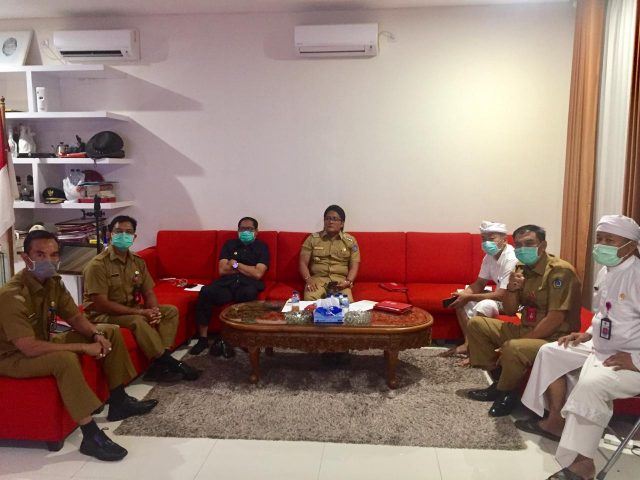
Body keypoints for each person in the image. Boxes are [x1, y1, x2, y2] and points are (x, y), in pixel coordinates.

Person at [0, 230, 158, 461]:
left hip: (43, 341)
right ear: (26, 258)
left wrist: (95, 335)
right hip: (11, 357)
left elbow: (74, 317)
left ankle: (118, 399)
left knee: (109, 331)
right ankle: (90, 435)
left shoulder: (53, 283)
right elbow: (29, 347)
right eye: (40, 254)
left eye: (54, 254)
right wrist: (83, 348)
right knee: (63, 359)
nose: (48, 260)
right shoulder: (11, 295)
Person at [517, 215, 640, 480]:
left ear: (630, 246)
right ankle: (554, 421)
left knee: (591, 385)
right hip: (600, 346)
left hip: (630, 360)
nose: (601, 245)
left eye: (610, 240)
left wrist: (636, 361)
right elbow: (605, 315)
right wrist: (586, 335)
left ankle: (583, 465)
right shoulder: (607, 271)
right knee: (550, 352)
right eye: (599, 238)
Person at [466, 224, 582, 417]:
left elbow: (555, 318)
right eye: (518, 245)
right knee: (477, 324)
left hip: (554, 337)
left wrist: (521, 340)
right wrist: (511, 289)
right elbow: (511, 310)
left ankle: (507, 393)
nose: (522, 249)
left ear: (542, 245)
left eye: (529, 243)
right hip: (526, 327)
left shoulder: (560, 271)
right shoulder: (520, 268)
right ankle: (499, 381)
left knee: (514, 347)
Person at [83, 215, 200, 382]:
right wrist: (141, 313)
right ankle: (170, 363)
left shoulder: (137, 261)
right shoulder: (97, 265)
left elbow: (148, 292)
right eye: (119, 231)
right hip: (102, 314)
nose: (123, 236)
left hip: (129, 308)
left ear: (134, 236)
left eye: (128, 232)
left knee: (170, 312)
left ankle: (160, 364)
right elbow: (101, 305)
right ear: (110, 234)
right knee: (137, 320)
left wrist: (153, 311)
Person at [189, 216, 270, 357]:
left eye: (249, 229)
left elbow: (258, 274)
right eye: (242, 229)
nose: (246, 232)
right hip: (226, 284)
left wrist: (235, 264)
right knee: (206, 292)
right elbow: (222, 270)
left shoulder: (262, 247)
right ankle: (203, 339)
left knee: (249, 294)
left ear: (256, 232)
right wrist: (247, 269)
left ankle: (242, 338)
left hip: (247, 284)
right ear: (238, 230)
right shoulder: (229, 245)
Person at [441, 220, 518, 362]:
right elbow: (480, 283)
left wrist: (469, 297)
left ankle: (479, 350)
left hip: (513, 303)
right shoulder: (489, 257)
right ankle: (468, 344)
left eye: (491, 238)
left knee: (484, 305)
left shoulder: (511, 258)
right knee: (461, 299)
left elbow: (502, 295)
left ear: (504, 240)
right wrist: (464, 295)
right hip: (501, 296)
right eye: (483, 239)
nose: (487, 242)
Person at [299, 205, 360, 301]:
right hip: (317, 280)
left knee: (346, 303)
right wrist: (308, 280)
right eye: (328, 218)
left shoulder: (350, 241)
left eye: (335, 219)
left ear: (342, 223)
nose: (330, 222)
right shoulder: (313, 239)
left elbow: (354, 266)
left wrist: (348, 281)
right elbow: (302, 263)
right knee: (309, 301)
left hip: (340, 282)